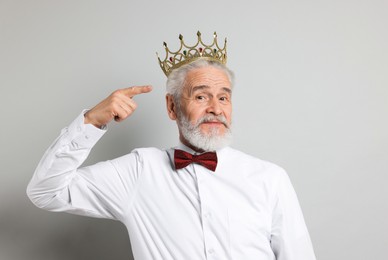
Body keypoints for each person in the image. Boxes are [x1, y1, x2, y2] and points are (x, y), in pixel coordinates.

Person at [27, 32, 316, 260]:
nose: (215, 108)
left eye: (224, 98)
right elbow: (46, 191)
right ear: (172, 106)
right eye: (201, 97)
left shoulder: (270, 179)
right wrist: (90, 122)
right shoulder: (138, 172)